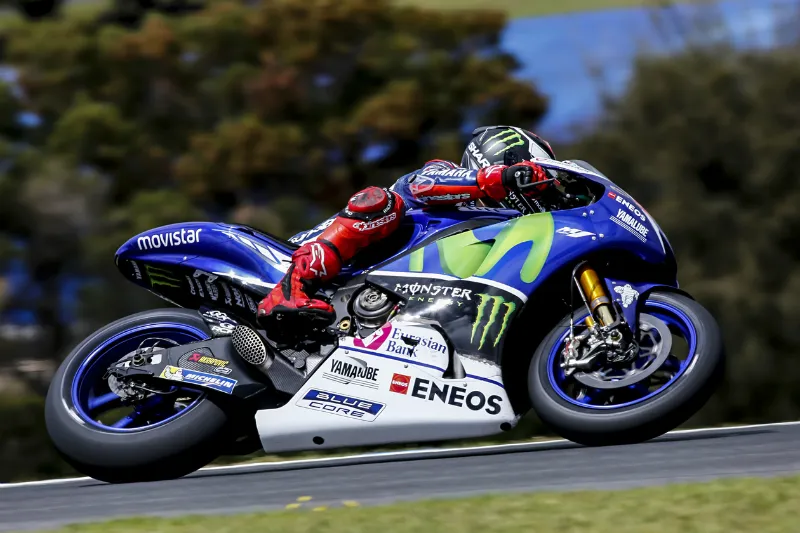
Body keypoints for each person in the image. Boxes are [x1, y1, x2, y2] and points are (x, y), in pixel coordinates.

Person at [256, 125, 557, 333]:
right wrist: (498, 179)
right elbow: (420, 186)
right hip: (296, 259)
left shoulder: (497, 226)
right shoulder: (444, 172)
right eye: (534, 176)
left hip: (365, 301)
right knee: (382, 202)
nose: (536, 190)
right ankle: (292, 286)